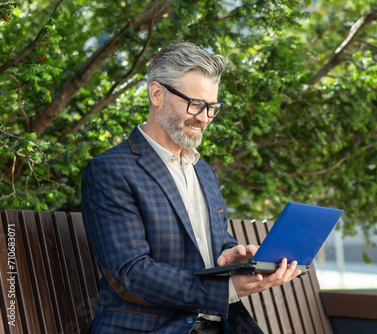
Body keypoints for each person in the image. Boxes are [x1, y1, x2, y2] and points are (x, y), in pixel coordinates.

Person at [81, 41, 302, 334]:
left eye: (212, 107)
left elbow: (214, 243)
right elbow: (132, 273)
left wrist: (234, 258)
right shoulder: (111, 171)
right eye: (195, 104)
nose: (204, 118)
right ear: (157, 94)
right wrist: (225, 291)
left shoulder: (204, 171)